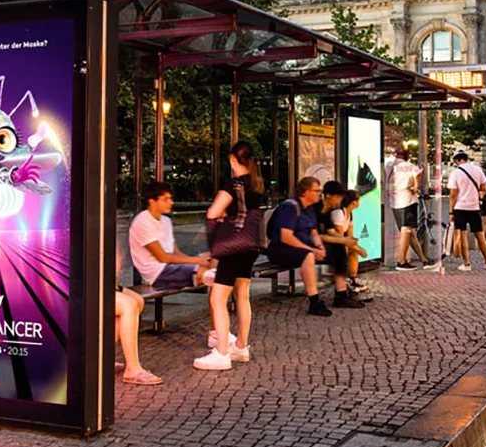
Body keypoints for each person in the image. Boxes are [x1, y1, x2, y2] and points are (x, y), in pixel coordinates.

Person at [193, 141, 266, 371]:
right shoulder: (256, 185)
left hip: (233, 248)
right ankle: (241, 346)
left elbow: (213, 212)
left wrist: (223, 216)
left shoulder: (233, 185)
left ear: (233, 159)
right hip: (251, 247)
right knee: (242, 296)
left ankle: (222, 352)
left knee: (218, 299)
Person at [266, 177, 333, 317]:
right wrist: (312, 250)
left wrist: (320, 247)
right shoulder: (290, 208)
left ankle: (342, 291)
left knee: (337, 250)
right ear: (305, 191)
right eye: (316, 191)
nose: (319, 194)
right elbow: (286, 237)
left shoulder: (310, 209)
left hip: (303, 247)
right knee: (307, 256)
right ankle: (314, 301)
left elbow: (314, 232)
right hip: (281, 249)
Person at [129, 182, 213, 290]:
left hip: (171, 267)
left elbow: (175, 252)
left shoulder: (166, 221)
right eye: (165, 199)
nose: (171, 202)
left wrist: (201, 259)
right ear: (152, 201)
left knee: (214, 265)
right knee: (205, 273)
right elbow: (163, 257)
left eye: (171, 198)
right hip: (157, 273)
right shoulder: (142, 222)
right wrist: (197, 261)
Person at [114, 249, 162, 385]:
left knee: (137, 300)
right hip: (77, 285)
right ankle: (132, 369)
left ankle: (103, 357)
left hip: (101, 282)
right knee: (128, 305)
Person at [315, 181, 364, 308]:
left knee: (339, 248)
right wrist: (344, 241)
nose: (340, 200)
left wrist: (348, 241)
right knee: (339, 248)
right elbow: (316, 236)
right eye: (338, 197)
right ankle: (342, 292)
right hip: (309, 245)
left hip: (318, 243)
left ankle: (342, 292)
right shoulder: (315, 209)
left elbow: (331, 232)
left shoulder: (328, 210)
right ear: (328, 195)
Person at [447, 151, 486, 271]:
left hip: (460, 207)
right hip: (474, 207)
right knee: (479, 234)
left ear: (456, 160)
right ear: (466, 158)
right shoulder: (477, 170)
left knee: (463, 234)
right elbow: (485, 188)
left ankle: (466, 264)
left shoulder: (455, 173)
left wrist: (451, 212)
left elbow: (453, 194)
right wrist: (478, 196)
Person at [389, 148, 433, 270]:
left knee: (410, 233)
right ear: (407, 157)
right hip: (407, 201)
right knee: (407, 231)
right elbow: (417, 176)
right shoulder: (410, 166)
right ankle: (401, 261)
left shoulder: (390, 166)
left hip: (394, 202)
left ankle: (424, 259)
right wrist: (415, 186)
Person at [339, 189, 373, 297]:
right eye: (359, 200)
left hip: (342, 241)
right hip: (335, 242)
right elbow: (340, 237)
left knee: (353, 249)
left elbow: (350, 236)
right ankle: (343, 281)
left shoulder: (350, 215)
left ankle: (353, 279)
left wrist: (356, 247)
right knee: (345, 248)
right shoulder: (340, 213)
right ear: (354, 202)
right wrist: (360, 250)